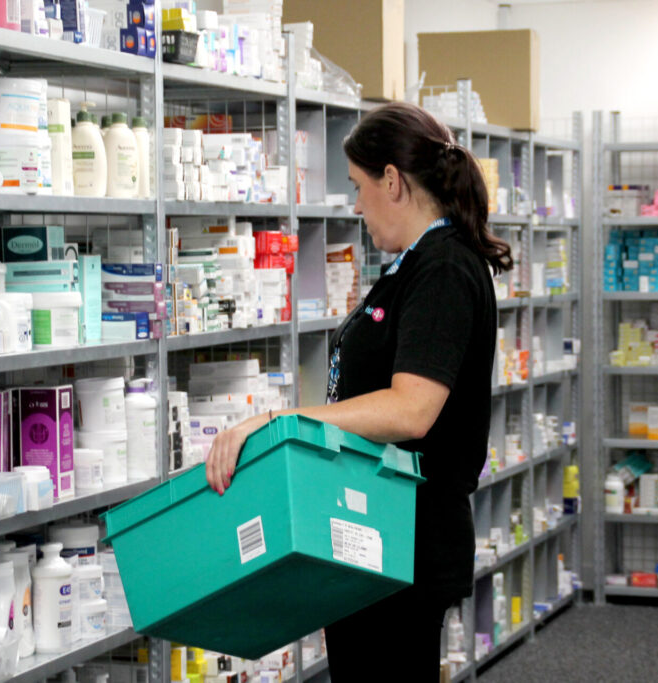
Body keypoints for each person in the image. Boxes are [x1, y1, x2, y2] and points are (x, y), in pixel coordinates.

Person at [205, 101, 513, 680]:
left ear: (392, 182)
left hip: (405, 540)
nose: (355, 204)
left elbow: (412, 409)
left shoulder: (443, 269)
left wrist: (282, 423)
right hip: (379, 539)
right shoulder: (418, 263)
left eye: (358, 186)